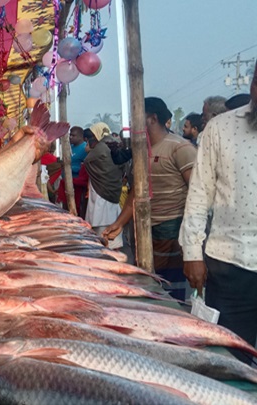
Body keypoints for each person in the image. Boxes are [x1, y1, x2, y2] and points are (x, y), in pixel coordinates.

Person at [179, 64, 257, 364]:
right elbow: (199, 195)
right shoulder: (220, 129)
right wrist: (192, 254)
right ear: (253, 85)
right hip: (229, 266)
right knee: (228, 364)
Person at [103, 97, 197, 300]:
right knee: (149, 285)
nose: (132, 122)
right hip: (144, 230)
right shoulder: (141, 150)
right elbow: (136, 192)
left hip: (171, 229)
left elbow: (197, 192)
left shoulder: (180, 148)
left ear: (152, 118)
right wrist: (119, 224)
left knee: (171, 290)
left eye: (136, 117)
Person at [82, 123, 124, 249]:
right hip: (111, 193)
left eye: (90, 140)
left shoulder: (101, 148)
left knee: (104, 240)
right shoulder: (114, 144)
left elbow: (87, 160)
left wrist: (89, 148)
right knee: (111, 239)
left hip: (102, 197)